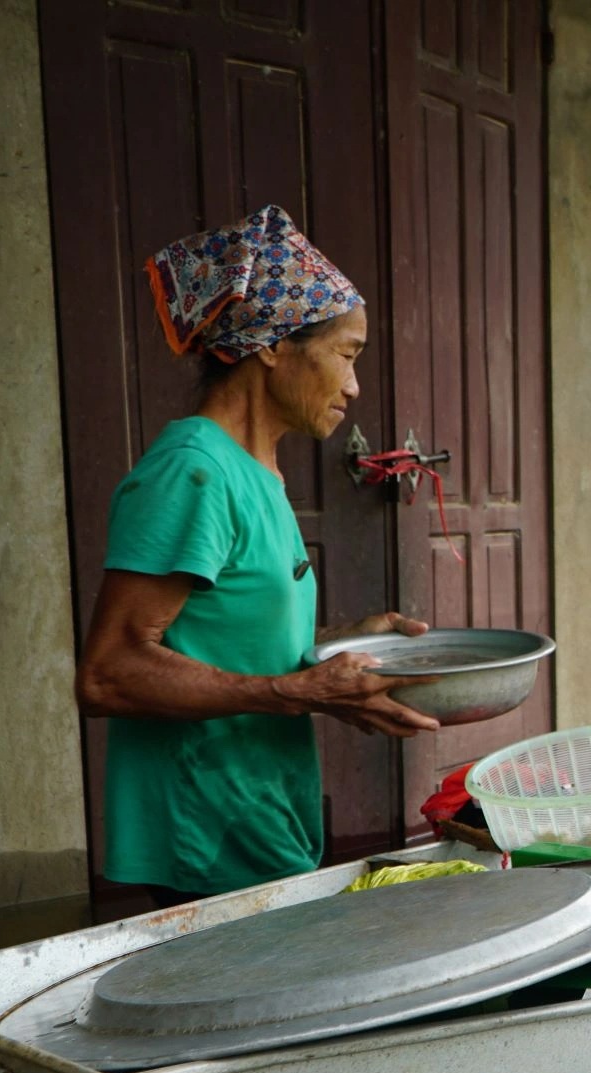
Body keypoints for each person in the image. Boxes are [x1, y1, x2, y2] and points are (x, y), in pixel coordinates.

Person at [75, 204, 436, 911]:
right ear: (271, 345)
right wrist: (298, 692)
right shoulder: (191, 471)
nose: (355, 387)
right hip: (209, 834)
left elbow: (227, 638)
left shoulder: (257, 471)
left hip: (265, 813)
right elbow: (108, 673)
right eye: (347, 354)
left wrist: (342, 650)